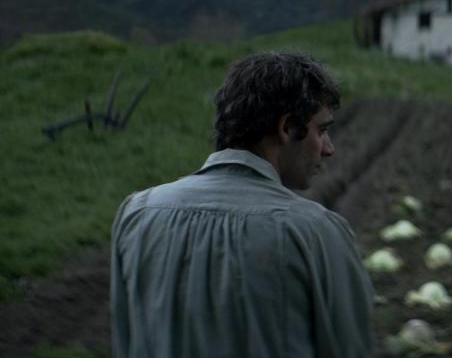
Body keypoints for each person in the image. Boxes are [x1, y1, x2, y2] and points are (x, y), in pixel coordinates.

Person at [110, 52, 375, 358]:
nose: (329, 149)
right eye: (322, 130)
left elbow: (125, 341)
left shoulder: (138, 214)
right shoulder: (316, 233)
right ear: (287, 128)